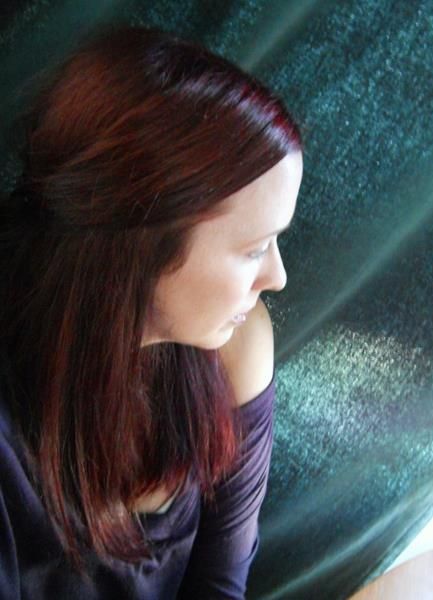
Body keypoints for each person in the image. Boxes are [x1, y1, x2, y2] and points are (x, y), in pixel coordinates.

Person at [0, 24, 303, 599]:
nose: (278, 278)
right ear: (140, 246)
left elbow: (219, 584)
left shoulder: (235, 352)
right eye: (254, 248)